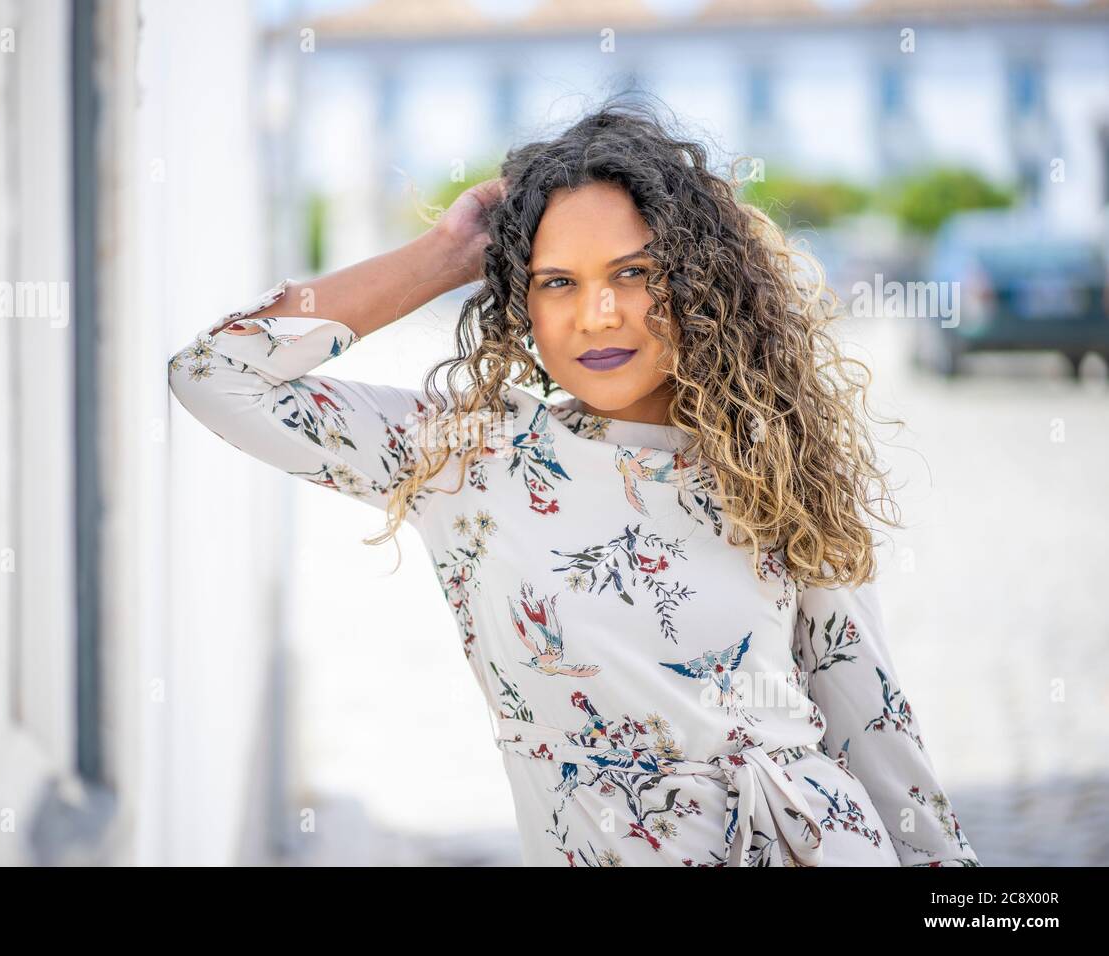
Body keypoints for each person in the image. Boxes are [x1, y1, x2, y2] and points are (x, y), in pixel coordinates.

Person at [168, 100, 980, 867]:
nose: (596, 313)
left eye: (633, 272)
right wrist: (443, 254)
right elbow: (217, 375)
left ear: (699, 280)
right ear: (518, 297)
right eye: (557, 281)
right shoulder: (468, 456)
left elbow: (874, 728)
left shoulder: (771, 460)